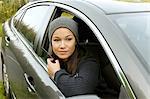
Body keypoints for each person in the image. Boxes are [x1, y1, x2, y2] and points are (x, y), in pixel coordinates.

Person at [47, 17, 100, 97]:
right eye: (56, 40)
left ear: (76, 41)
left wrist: (56, 73)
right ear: (51, 43)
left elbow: (81, 88)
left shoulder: (89, 61)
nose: (62, 46)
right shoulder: (50, 58)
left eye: (68, 39)